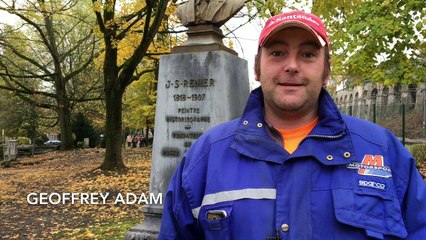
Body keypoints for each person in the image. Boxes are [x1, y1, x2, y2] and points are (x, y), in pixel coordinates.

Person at [159, 10, 426, 239]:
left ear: (326, 71)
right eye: (277, 52)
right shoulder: (206, 156)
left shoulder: (383, 152)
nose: (292, 66)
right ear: (257, 68)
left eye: (308, 55)